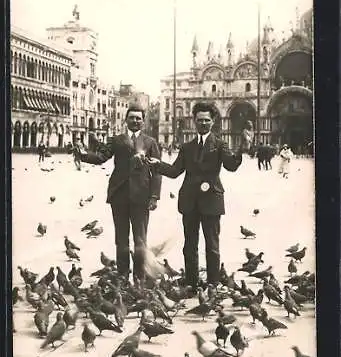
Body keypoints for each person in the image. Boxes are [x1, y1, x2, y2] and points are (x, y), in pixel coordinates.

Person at [147, 101, 250, 290]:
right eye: (200, 120)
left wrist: (243, 147)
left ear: (213, 122)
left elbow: (231, 166)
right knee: (190, 245)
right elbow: (175, 171)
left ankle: (212, 283)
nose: (203, 123)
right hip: (189, 201)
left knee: (212, 244)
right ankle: (192, 282)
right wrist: (157, 164)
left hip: (212, 200)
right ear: (194, 121)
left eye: (207, 120)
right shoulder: (187, 147)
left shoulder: (220, 144)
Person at [76, 104, 161, 282]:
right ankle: (122, 276)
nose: (135, 121)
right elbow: (101, 158)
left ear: (143, 121)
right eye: (132, 118)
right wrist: (83, 155)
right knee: (121, 239)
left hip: (142, 197)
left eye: (138, 118)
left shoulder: (150, 142)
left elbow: (157, 171)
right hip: (119, 195)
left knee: (140, 240)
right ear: (126, 120)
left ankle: (139, 277)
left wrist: (154, 196)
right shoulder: (116, 140)